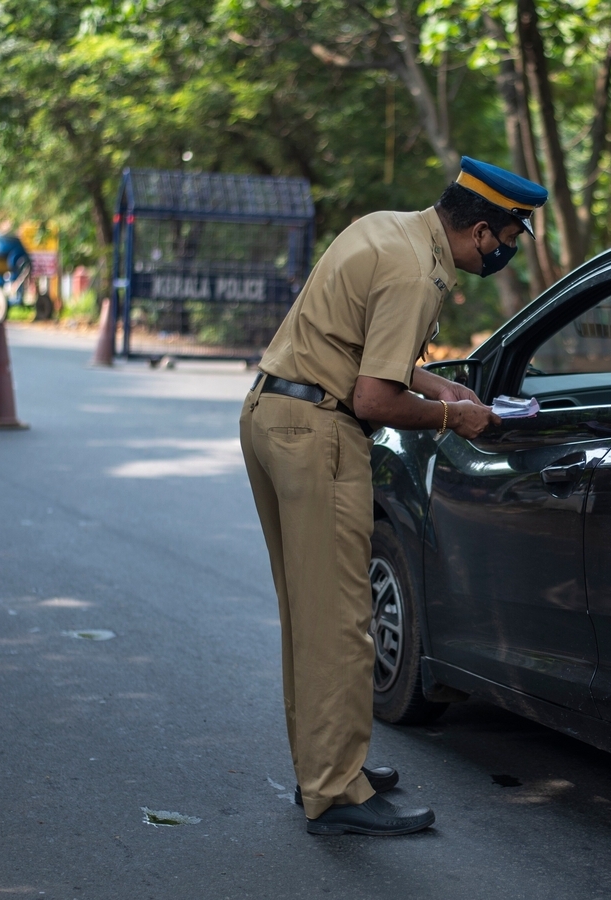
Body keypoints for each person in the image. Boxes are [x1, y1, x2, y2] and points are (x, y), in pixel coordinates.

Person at [239, 158, 546, 836]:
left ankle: (325, 764)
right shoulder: (420, 274)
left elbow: (368, 344)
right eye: (509, 241)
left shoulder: (391, 230)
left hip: (272, 416)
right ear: (483, 232)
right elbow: (372, 397)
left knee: (309, 615)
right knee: (343, 622)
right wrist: (455, 418)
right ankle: (335, 792)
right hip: (319, 431)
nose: (503, 255)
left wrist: (440, 385)